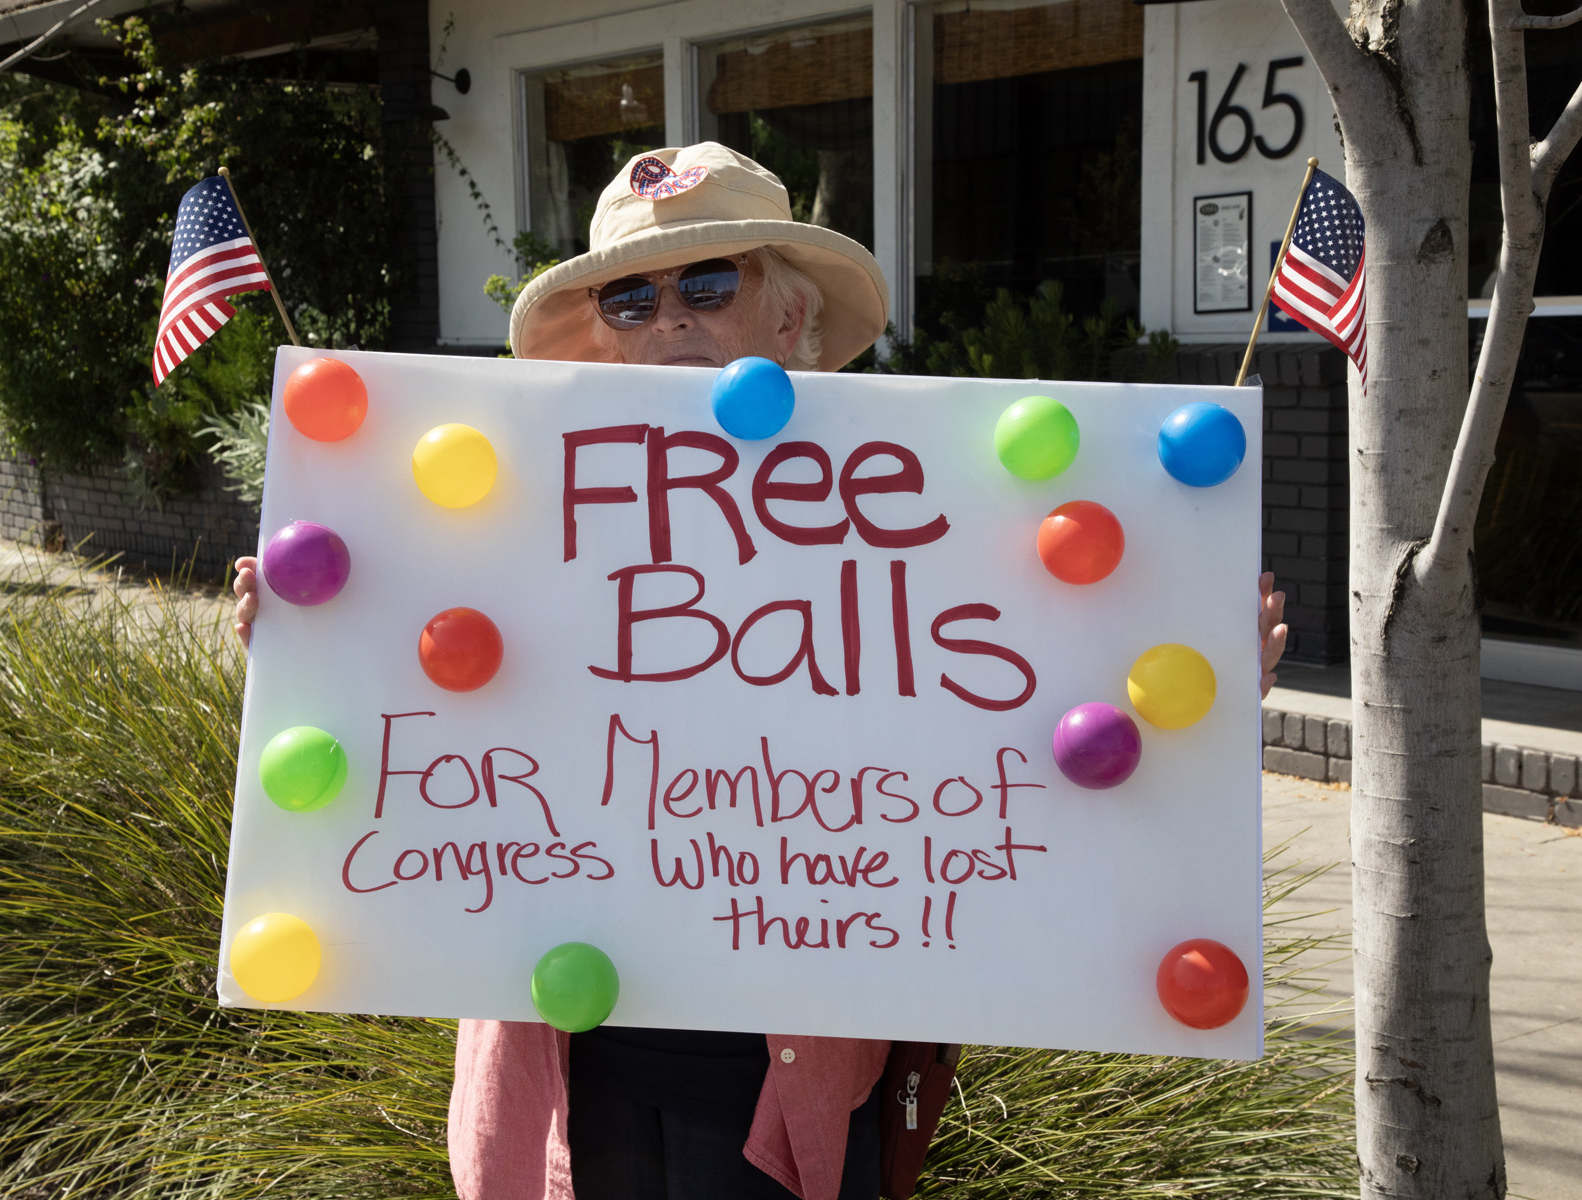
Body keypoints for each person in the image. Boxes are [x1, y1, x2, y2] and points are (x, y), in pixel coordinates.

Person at [230, 144, 1290, 1200]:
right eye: (630, 299)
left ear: (790, 318)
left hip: (787, 1093)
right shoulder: (515, 507)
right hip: (574, 1079)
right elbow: (417, 699)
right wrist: (316, 647)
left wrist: (1202, 673)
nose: (669, 318)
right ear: (605, 335)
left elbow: (1048, 726)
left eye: (704, 283)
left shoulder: (916, 509)